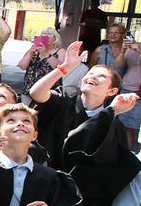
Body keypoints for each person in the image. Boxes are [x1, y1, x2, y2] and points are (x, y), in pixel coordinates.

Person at [28, 42, 121, 171]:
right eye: (90, 74)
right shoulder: (62, 101)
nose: (93, 77)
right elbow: (36, 93)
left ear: (111, 91)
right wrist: (65, 66)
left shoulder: (110, 121)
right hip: (48, 174)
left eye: (102, 76)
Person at [18, 28, 63, 94]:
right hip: (29, 89)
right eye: (43, 34)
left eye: (49, 34)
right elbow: (22, 66)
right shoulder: (34, 50)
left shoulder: (60, 51)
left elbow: (62, 70)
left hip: (48, 92)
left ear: (55, 39)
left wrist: (46, 54)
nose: (45, 36)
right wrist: (30, 53)